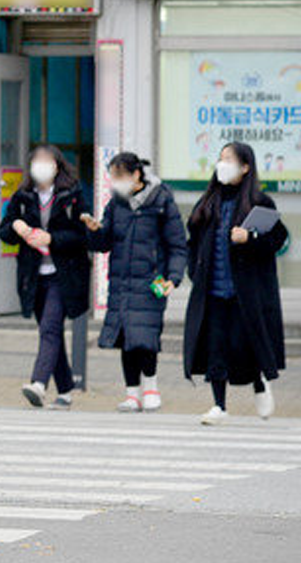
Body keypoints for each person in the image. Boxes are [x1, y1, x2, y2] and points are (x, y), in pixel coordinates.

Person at [182, 142, 288, 425]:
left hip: (246, 293)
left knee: (246, 343)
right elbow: (192, 242)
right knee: (216, 346)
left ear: (245, 167)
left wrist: (250, 238)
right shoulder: (207, 202)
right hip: (213, 291)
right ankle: (219, 405)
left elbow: (278, 239)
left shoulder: (261, 203)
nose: (221, 164)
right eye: (220, 159)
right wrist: (195, 271)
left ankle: (260, 381)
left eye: (228, 159)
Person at [81, 153, 188, 412]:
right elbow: (104, 244)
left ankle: (151, 388)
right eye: (112, 177)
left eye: (119, 176)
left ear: (136, 175)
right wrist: (95, 231)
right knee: (125, 337)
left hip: (152, 281)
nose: (115, 182)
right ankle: (132, 394)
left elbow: (177, 245)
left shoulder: (161, 201)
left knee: (146, 337)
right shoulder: (116, 203)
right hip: (121, 281)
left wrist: (173, 278)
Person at [0, 144, 91, 409]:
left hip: (64, 275)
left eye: (46, 160)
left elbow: (82, 236)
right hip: (34, 275)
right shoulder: (24, 195)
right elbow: (4, 231)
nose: (40, 165)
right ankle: (66, 391)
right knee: (51, 332)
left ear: (57, 166)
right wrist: (16, 226)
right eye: (36, 160)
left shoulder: (72, 196)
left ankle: (38, 383)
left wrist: (52, 238)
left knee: (50, 327)